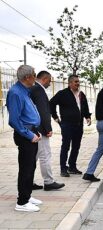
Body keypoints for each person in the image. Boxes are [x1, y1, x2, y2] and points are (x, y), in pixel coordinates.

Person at [6, 65, 42, 212]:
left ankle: (27, 196)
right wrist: (29, 135)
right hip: (26, 135)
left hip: (32, 133)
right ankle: (21, 202)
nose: (35, 77)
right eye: (34, 74)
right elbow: (13, 120)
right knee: (26, 168)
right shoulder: (15, 93)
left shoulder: (24, 91)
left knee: (31, 167)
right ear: (27, 77)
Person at [50, 74, 91, 177]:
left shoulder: (81, 94)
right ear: (70, 83)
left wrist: (87, 117)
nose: (78, 83)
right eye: (76, 82)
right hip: (67, 124)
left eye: (78, 81)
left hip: (79, 124)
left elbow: (84, 107)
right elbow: (51, 103)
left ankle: (72, 166)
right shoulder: (62, 94)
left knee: (76, 146)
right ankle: (63, 169)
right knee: (66, 146)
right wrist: (55, 116)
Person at [30, 71, 65, 191]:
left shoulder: (32, 88)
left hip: (32, 128)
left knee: (33, 156)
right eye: (49, 81)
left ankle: (28, 181)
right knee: (45, 155)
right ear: (44, 79)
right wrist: (48, 129)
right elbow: (43, 111)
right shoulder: (39, 90)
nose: (50, 84)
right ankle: (49, 182)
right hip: (40, 129)